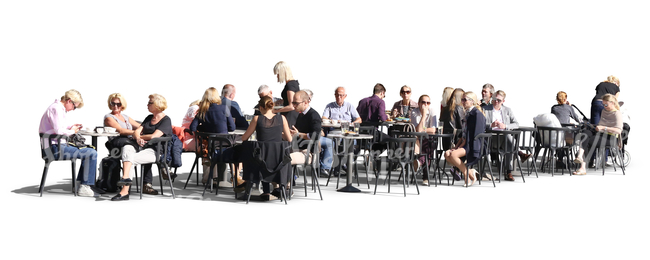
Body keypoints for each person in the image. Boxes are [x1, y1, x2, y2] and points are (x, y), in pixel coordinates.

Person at [111, 94, 173, 201]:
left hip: (155, 151)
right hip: (141, 147)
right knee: (127, 148)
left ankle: (124, 191)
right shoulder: (149, 118)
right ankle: (126, 178)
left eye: (150, 102)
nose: (147, 104)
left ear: (157, 105)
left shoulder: (166, 120)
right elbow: (136, 131)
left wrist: (140, 137)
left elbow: (154, 136)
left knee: (130, 159)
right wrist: (138, 137)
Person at [39, 89, 100, 197]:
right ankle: (84, 187)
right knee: (91, 153)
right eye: (74, 106)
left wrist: (70, 127)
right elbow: (58, 131)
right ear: (69, 101)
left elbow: (58, 127)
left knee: (90, 150)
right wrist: (72, 131)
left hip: (55, 145)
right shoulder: (56, 108)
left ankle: (81, 185)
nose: (73, 109)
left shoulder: (57, 108)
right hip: (54, 148)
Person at [241, 96, 293, 200]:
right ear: (272, 106)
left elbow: (244, 137)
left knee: (255, 155)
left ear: (260, 107)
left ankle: (263, 191)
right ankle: (279, 188)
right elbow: (289, 139)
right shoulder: (282, 118)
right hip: (278, 160)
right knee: (269, 155)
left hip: (261, 160)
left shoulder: (257, 119)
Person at [189, 87, 238, 186]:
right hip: (225, 145)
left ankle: (208, 179)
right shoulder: (225, 108)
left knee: (207, 148)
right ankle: (235, 178)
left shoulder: (203, 110)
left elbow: (192, 128)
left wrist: (204, 128)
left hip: (210, 146)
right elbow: (232, 128)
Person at [483, 90, 529, 181]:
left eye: (499, 100)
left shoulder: (507, 110)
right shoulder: (485, 109)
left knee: (508, 143)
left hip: (504, 137)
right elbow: (481, 124)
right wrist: (491, 125)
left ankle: (508, 172)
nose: (496, 101)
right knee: (509, 139)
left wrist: (505, 126)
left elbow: (516, 124)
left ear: (503, 101)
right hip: (491, 138)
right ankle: (519, 154)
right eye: (495, 99)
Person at [573, 94, 623, 175]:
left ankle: (582, 167)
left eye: (606, 104)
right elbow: (601, 124)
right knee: (586, 133)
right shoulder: (604, 111)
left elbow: (618, 131)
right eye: (603, 104)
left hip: (611, 138)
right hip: (601, 134)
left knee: (587, 141)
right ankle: (580, 156)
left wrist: (604, 128)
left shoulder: (617, 113)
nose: (604, 106)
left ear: (612, 103)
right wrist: (596, 127)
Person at [444, 92, 486, 187]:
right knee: (447, 154)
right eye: (462, 99)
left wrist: (461, 146)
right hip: (465, 143)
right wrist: (457, 146)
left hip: (474, 145)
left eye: (464, 100)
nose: (462, 102)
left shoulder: (477, 114)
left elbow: (476, 135)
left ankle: (466, 175)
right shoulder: (467, 113)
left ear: (472, 101)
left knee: (454, 155)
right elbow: (463, 135)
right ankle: (470, 172)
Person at [321, 87, 361, 176]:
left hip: (346, 131)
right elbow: (324, 118)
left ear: (345, 96)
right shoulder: (329, 106)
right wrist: (332, 120)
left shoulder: (349, 106)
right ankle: (327, 168)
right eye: (337, 95)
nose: (339, 97)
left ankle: (346, 165)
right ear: (335, 95)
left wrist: (351, 123)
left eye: (341, 95)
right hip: (334, 131)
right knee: (331, 143)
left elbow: (359, 119)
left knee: (352, 142)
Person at [410, 95, 438, 185]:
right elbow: (417, 130)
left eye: (428, 103)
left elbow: (433, 129)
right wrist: (424, 115)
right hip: (417, 139)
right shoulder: (414, 112)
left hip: (429, 138)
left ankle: (419, 162)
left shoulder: (432, 111)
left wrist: (423, 130)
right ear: (418, 103)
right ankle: (425, 177)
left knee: (427, 144)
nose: (426, 105)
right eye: (423, 102)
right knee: (426, 147)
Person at [273, 61, 300, 127]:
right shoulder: (293, 84)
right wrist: (281, 101)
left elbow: (291, 106)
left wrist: (274, 111)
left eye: (278, 74)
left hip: (289, 117)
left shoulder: (290, 85)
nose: (277, 76)